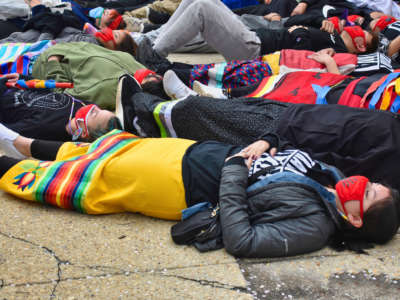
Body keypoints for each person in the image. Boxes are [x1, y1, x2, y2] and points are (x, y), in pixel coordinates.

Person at [0, 125, 398, 258]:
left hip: (178, 185)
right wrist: (266, 141)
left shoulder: (314, 227)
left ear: (356, 219)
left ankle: (10, 163)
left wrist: (234, 171)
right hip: (193, 152)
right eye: (373, 184)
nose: (361, 184)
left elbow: (242, 240)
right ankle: (18, 140)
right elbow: (289, 151)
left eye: (367, 194)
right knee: (101, 148)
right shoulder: (332, 181)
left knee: (88, 176)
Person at [152, 0, 379, 61]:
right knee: (201, 0)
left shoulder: (340, 50)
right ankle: (153, 44)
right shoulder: (332, 33)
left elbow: (306, 52)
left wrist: (299, 33)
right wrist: (310, 24)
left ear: (360, 46)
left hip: (255, 48)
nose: (356, 31)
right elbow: (293, 23)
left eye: (363, 36)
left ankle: (155, 53)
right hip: (256, 36)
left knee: (202, 9)